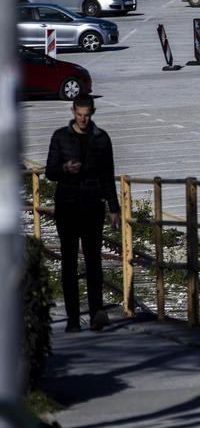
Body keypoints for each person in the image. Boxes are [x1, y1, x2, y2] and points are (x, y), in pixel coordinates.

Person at [45, 94, 120, 332]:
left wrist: (114, 209)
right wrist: (65, 168)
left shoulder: (101, 139)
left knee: (93, 261)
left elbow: (108, 175)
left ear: (92, 113)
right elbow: (50, 171)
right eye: (79, 114)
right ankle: (73, 319)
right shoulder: (60, 137)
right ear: (73, 112)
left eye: (87, 115)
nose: (83, 119)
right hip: (67, 206)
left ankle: (97, 313)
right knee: (68, 262)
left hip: (92, 206)